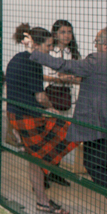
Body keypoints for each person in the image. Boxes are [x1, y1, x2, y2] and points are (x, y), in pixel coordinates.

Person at [28, 26, 107, 214]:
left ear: (106, 45)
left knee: (93, 165)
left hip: (101, 128)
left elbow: (64, 65)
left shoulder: (98, 59)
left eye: (97, 42)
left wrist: (34, 52)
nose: (96, 46)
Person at [4, 24, 77, 214]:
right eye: (48, 45)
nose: (50, 49)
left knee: (35, 158)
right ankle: (43, 201)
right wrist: (53, 109)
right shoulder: (33, 63)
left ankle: (42, 197)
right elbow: (40, 97)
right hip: (28, 117)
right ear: (36, 45)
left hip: (15, 114)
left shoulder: (17, 58)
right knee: (69, 133)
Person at [42, 20, 83, 186]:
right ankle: (42, 174)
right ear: (55, 34)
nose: (67, 35)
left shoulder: (74, 54)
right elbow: (43, 75)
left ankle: (55, 172)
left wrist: (69, 78)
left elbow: (80, 77)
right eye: (63, 32)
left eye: (69, 32)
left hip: (67, 99)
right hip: (50, 98)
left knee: (63, 137)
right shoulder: (49, 51)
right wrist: (60, 78)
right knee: (48, 136)